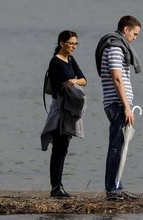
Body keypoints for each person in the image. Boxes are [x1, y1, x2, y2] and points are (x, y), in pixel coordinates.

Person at [95, 15, 142, 200]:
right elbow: (116, 78)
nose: (135, 38)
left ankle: (116, 187)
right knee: (116, 147)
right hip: (117, 104)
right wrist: (126, 107)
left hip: (118, 103)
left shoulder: (118, 46)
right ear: (125, 30)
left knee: (119, 146)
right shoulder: (115, 47)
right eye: (135, 34)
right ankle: (113, 190)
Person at [41, 30, 87, 198]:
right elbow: (61, 86)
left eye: (76, 44)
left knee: (64, 146)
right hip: (60, 107)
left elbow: (84, 80)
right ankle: (56, 187)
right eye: (71, 43)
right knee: (59, 147)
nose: (74, 47)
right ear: (62, 43)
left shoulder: (70, 59)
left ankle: (58, 186)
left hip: (70, 108)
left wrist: (75, 80)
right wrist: (72, 82)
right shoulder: (55, 62)